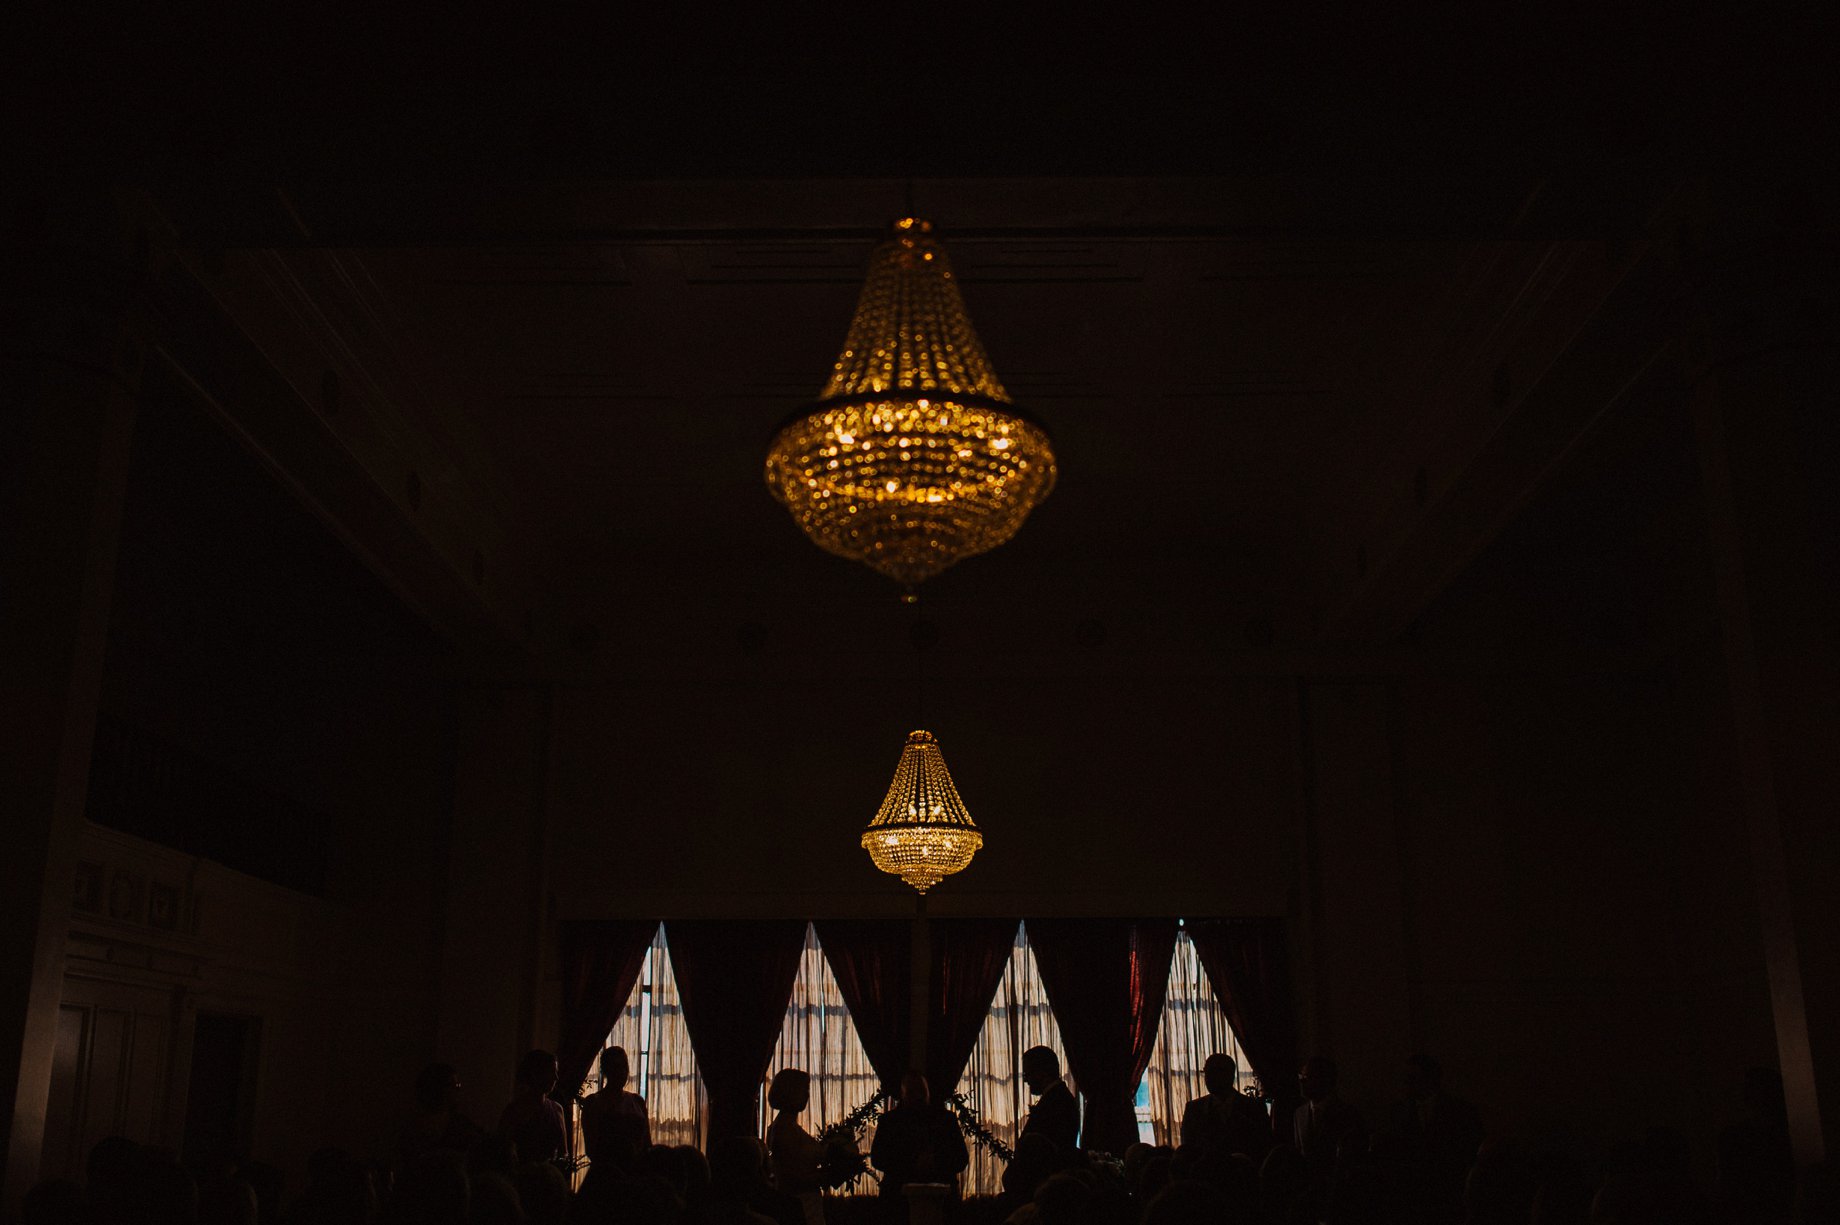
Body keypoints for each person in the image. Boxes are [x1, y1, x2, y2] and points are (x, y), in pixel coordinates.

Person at [1387, 1053, 1481, 1207]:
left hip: (1447, 1193)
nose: (1406, 1083)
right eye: (1406, 1078)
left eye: (1412, 1078)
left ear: (1430, 1079)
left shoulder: (1460, 1111)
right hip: (1410, 1195)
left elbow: (1468, 1153)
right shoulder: (1399, 1112)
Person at [870, 1071, 969, 1200]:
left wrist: (918, 1162)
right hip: (900, 1197)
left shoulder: (946, 1119)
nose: (918, 1096)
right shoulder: (889, 1121)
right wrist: (923, 1162)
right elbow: (878, 1158)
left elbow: (961, 1158)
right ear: (902, 1094)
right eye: (912, 1092)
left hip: (936, 1196)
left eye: (921, 1091)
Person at [1179, 1052, 1272, 1161]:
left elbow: (1264, 1147)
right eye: (1206, 1073)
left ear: (1230, 1075)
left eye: (1213, 1073)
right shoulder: (1193, 1109)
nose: (1207, 1079)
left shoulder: (1254, 1108)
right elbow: (1188, 1150)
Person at [765, 1069, 827, 1225]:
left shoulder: (786, 1126)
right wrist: (828, 1175)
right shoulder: (784, 1130)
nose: (807, 1095)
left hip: (805, 1203)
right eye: (803, 1090)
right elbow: (791, 1176)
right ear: (790, 1092)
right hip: (799, 1205)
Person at [580, 1045, 652, 1173]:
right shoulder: (593, 1102)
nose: (622, 1072)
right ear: (606, 1070)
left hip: (636, 1172)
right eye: (616, 1067)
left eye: (624, 1067)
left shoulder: (637, 1101)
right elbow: (592, 1148)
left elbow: (647, 1144)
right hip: (606, 1173)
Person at [1291, 1055, 1362, 1180]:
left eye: (1307, 1077)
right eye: (1301, 1076)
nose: (1301, 1082)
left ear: (1325, 1080)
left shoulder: (1347, 1115)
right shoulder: (1299, 1114)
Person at [401, 1063, 483, 1169]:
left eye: (458, 1085)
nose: (458, 1090)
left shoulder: (461, 1123)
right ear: (438, 1088)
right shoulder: (414, 1127)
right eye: (454, 1085)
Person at [497, 1049, 567, 1167]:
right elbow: (503, 1152)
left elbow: (564, 1152)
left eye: (556, 1072)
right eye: (551, 1072)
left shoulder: (557, 1109)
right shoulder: (515, 1111)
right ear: (536, 1073)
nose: (556, 1078)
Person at [1020, 1047, 1079, 1155]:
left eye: (1027, 1074)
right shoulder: (1059, 1097)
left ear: (1042, 1072)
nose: (1026, 1080)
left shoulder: (1057, 1101)